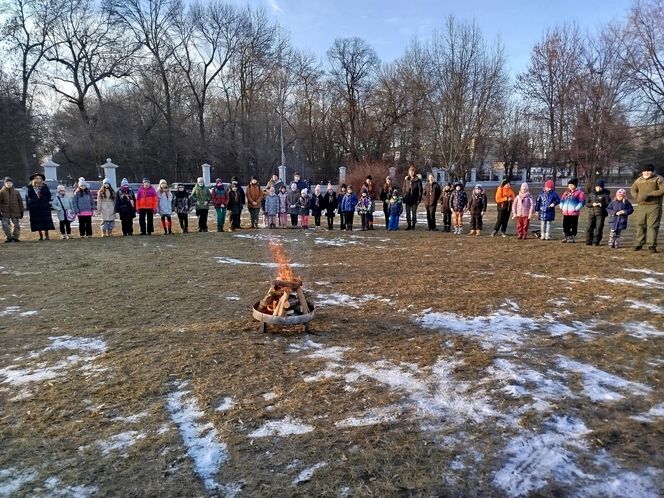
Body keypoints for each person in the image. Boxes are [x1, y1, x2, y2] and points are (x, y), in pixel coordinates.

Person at [631, 164, 664, 253]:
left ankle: (651, 245)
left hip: (654, 206)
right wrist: (637, 197)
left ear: (653, 172)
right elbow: (633, 190)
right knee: (640, 225)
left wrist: (649, 194)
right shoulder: (639, 180)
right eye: (645, 171)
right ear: (642, 172)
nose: (646, 173)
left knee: (652, 226)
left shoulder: (658, 179)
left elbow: (662, 190)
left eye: (649, 171)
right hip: (641, 206)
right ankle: (639, 243)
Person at [26, 172, 55, 240]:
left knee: (45, 220)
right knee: (37, 221)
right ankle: (40, 235)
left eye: (39, 178)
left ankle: (46, 234)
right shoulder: (30, 188)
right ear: (34, 179)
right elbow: (29, 197)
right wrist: (33, 202)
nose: (38, 179)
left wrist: (43, 199)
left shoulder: (44, 186)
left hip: (44, 206)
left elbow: (48, 196)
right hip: (35, 207)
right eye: (36, 178)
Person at [585, 179, 611, 246]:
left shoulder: (605, 194)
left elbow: (609, 204)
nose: (598, 188)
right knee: (589, 227)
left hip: (601, 214)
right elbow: (586, 204)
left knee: (599, 228)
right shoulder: (591, 194)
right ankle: (588, 241)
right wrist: (592, 204)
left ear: (602, 187)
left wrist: (601, 204)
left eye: (600, 187)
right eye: (597, 187)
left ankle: (596, 241)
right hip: (591, 213)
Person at [559, 178, 586, 243]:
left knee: (573, 225)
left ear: (575, 185)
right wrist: (561, 206)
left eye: (572, 185)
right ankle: (567, 235)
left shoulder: (580, 193)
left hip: (573, 213)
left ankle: (571, 236)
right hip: (566, 212)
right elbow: (562, 200)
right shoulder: (566, 193)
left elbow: (582, 202)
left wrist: (576, 208)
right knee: (565, 224)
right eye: (569, 185)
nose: (570, 186)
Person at [0, 176, 24, 242]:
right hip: (5, 212)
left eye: (10, 183)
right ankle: (9, 237)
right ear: (5, 184)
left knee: (16, 225)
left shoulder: (16, 192)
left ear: (12, 183)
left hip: (15, 211)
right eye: (7, 183)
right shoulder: (1, 192)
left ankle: (16, 237)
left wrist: (21, 211)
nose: (9, 184)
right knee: (5, 226)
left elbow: (20, 202)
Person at [402, 163, 423, 230]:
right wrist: (404, 197)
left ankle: (413, 225)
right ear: (409, 172)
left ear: (414, 172)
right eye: (410, 171)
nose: (411, 172)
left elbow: (420, 190)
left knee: (414, 213)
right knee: (408, 213)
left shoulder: (418, 180)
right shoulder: (406, 179)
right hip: (408, 199)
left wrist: (418, 199)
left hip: (414, 199)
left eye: (412, 171)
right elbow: (404, 189)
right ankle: (409, 225)